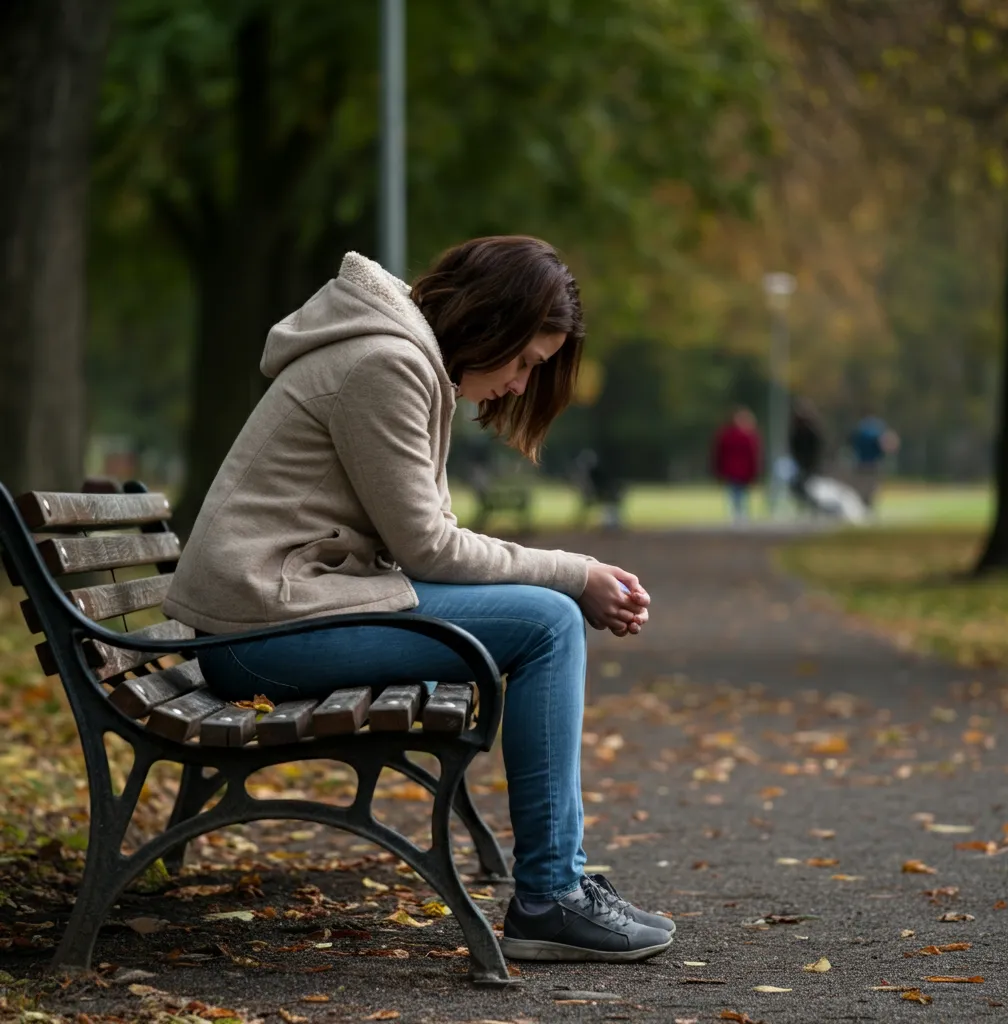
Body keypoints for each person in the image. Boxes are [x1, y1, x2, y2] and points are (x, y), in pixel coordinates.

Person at [162, 236, 673, 963]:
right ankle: (550, 895)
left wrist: (565, 573)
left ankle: (554, 888)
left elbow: (428, 538)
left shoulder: (400, 354)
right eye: (526, 361)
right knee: (552, 622)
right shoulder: (388, 363)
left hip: (277, 613)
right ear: (491, 321)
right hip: (261, 634)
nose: (523, 385)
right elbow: (429, 548)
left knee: (548, 616)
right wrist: (575, 572)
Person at [710, 408, 761, 521]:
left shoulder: (727, 435)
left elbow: (718, 454)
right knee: (740, 493)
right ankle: (741, 515)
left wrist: (718, 470)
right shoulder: (747, 436)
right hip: (740, 470)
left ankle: (737, 515)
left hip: (733, 470)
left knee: (735, 493)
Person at [848, 412, 900, 510]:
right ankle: (867, 507)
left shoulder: (860, 429)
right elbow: (885, 444)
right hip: (872, 464)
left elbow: (851, 443)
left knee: (862, 488)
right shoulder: (876, 430)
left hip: (860, 464)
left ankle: (862, 507)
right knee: (871, 489)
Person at [788, 399, 825, 510]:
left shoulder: (812, 431)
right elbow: (793, 447)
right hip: (800, 464)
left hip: (811, 464)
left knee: (812, 487)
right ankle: (804, 505)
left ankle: (814, 507)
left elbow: (818, 448)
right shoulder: (796, 432)